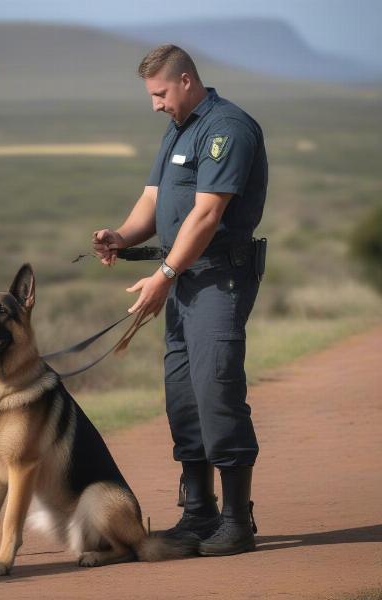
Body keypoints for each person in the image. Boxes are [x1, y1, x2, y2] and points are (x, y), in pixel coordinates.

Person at [93, 44, 267, 556]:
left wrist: (165, 273)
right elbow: (153, 197)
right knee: (183, 396)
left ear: (186, 80)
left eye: (160, 94)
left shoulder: (227, 129)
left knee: (216, 388)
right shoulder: (179, 128)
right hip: (185, 280)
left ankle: (237, 522)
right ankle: (198, 515)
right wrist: (121, 236)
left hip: (217, 278)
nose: (155, 105)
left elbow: (208, 214)